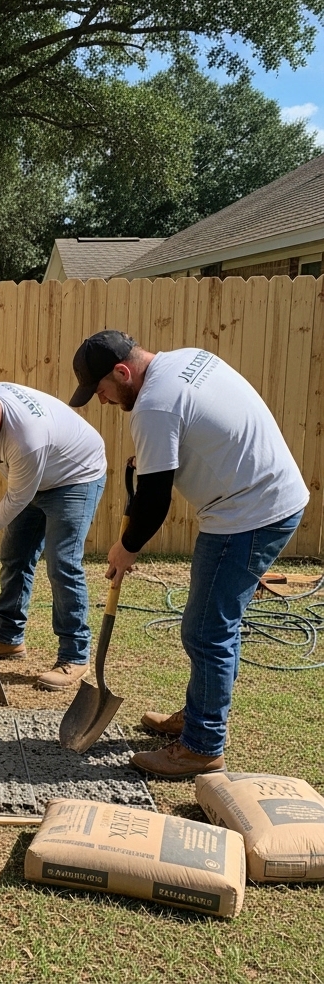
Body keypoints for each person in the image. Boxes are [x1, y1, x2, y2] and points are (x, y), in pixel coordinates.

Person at [69, 330, 309, 779]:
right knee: (218, 624)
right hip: (271, 496)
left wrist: (126, 548)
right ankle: (200, 715)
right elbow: (201, 429)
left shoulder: (155, 405)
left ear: (122, 372)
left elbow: (155, 498)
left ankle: (202, 744)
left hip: (248, 513)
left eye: (101, 390)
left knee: (205, 631)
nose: (101, 401)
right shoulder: (187, 359)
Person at [0, 383, 107, 690]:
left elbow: (17, 499)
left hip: (76, 477)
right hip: (40, 474)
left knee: (62, 564)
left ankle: (75, 656)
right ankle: (7, 639)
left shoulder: (26, 440)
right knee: (15, 555)